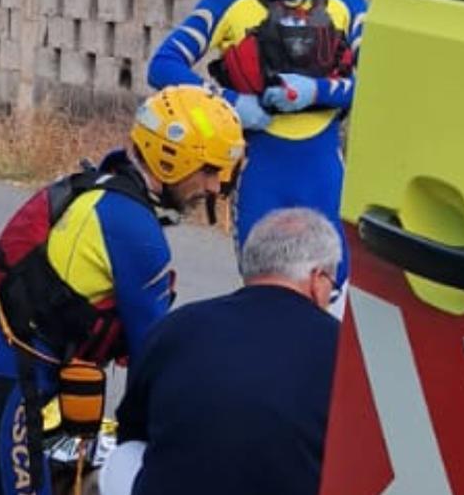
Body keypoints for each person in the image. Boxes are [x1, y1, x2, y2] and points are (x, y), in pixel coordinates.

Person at [0, 85, 245, 495]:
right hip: (4, 403)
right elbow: (150, 360)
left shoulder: (99, 190)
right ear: (174, 159)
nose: (214, 188)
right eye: (210, 170)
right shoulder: (135, 231)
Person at [147, 0, 366, 318]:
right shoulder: (230, 1)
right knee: (265, 292)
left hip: (323, 171)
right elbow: (163, 65)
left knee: (333, 294)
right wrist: (228, 100)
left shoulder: (346, 2)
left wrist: (318, 92)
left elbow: (379, 85)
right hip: (260, 169)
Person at [103, 208, 343, 495]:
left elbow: (132, 430)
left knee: (123, 457)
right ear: (317, 279)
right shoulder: (342, 349)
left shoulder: (177, 326)